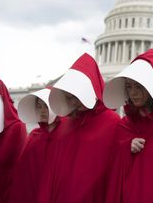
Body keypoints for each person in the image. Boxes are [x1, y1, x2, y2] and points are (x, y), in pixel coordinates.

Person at [103, 49, 153, 203]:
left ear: (152, 86)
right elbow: (110, 170)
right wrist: (126, 147)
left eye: (139, 86)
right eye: (129, 86)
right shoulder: (124, 125)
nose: (133, 93)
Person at [38, 53, 121, 202]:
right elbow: (52, 171)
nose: (74, 102)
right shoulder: (66, 123)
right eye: (69, 97)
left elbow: (116, 170)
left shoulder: (112, 121)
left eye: (77, 96)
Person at [7, 87, 65, 203]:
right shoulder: (34, 135)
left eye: (46, 106)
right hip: (30, 193)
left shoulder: (66, 136)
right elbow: (23, 172)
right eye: (39, 106)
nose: (42, 110)